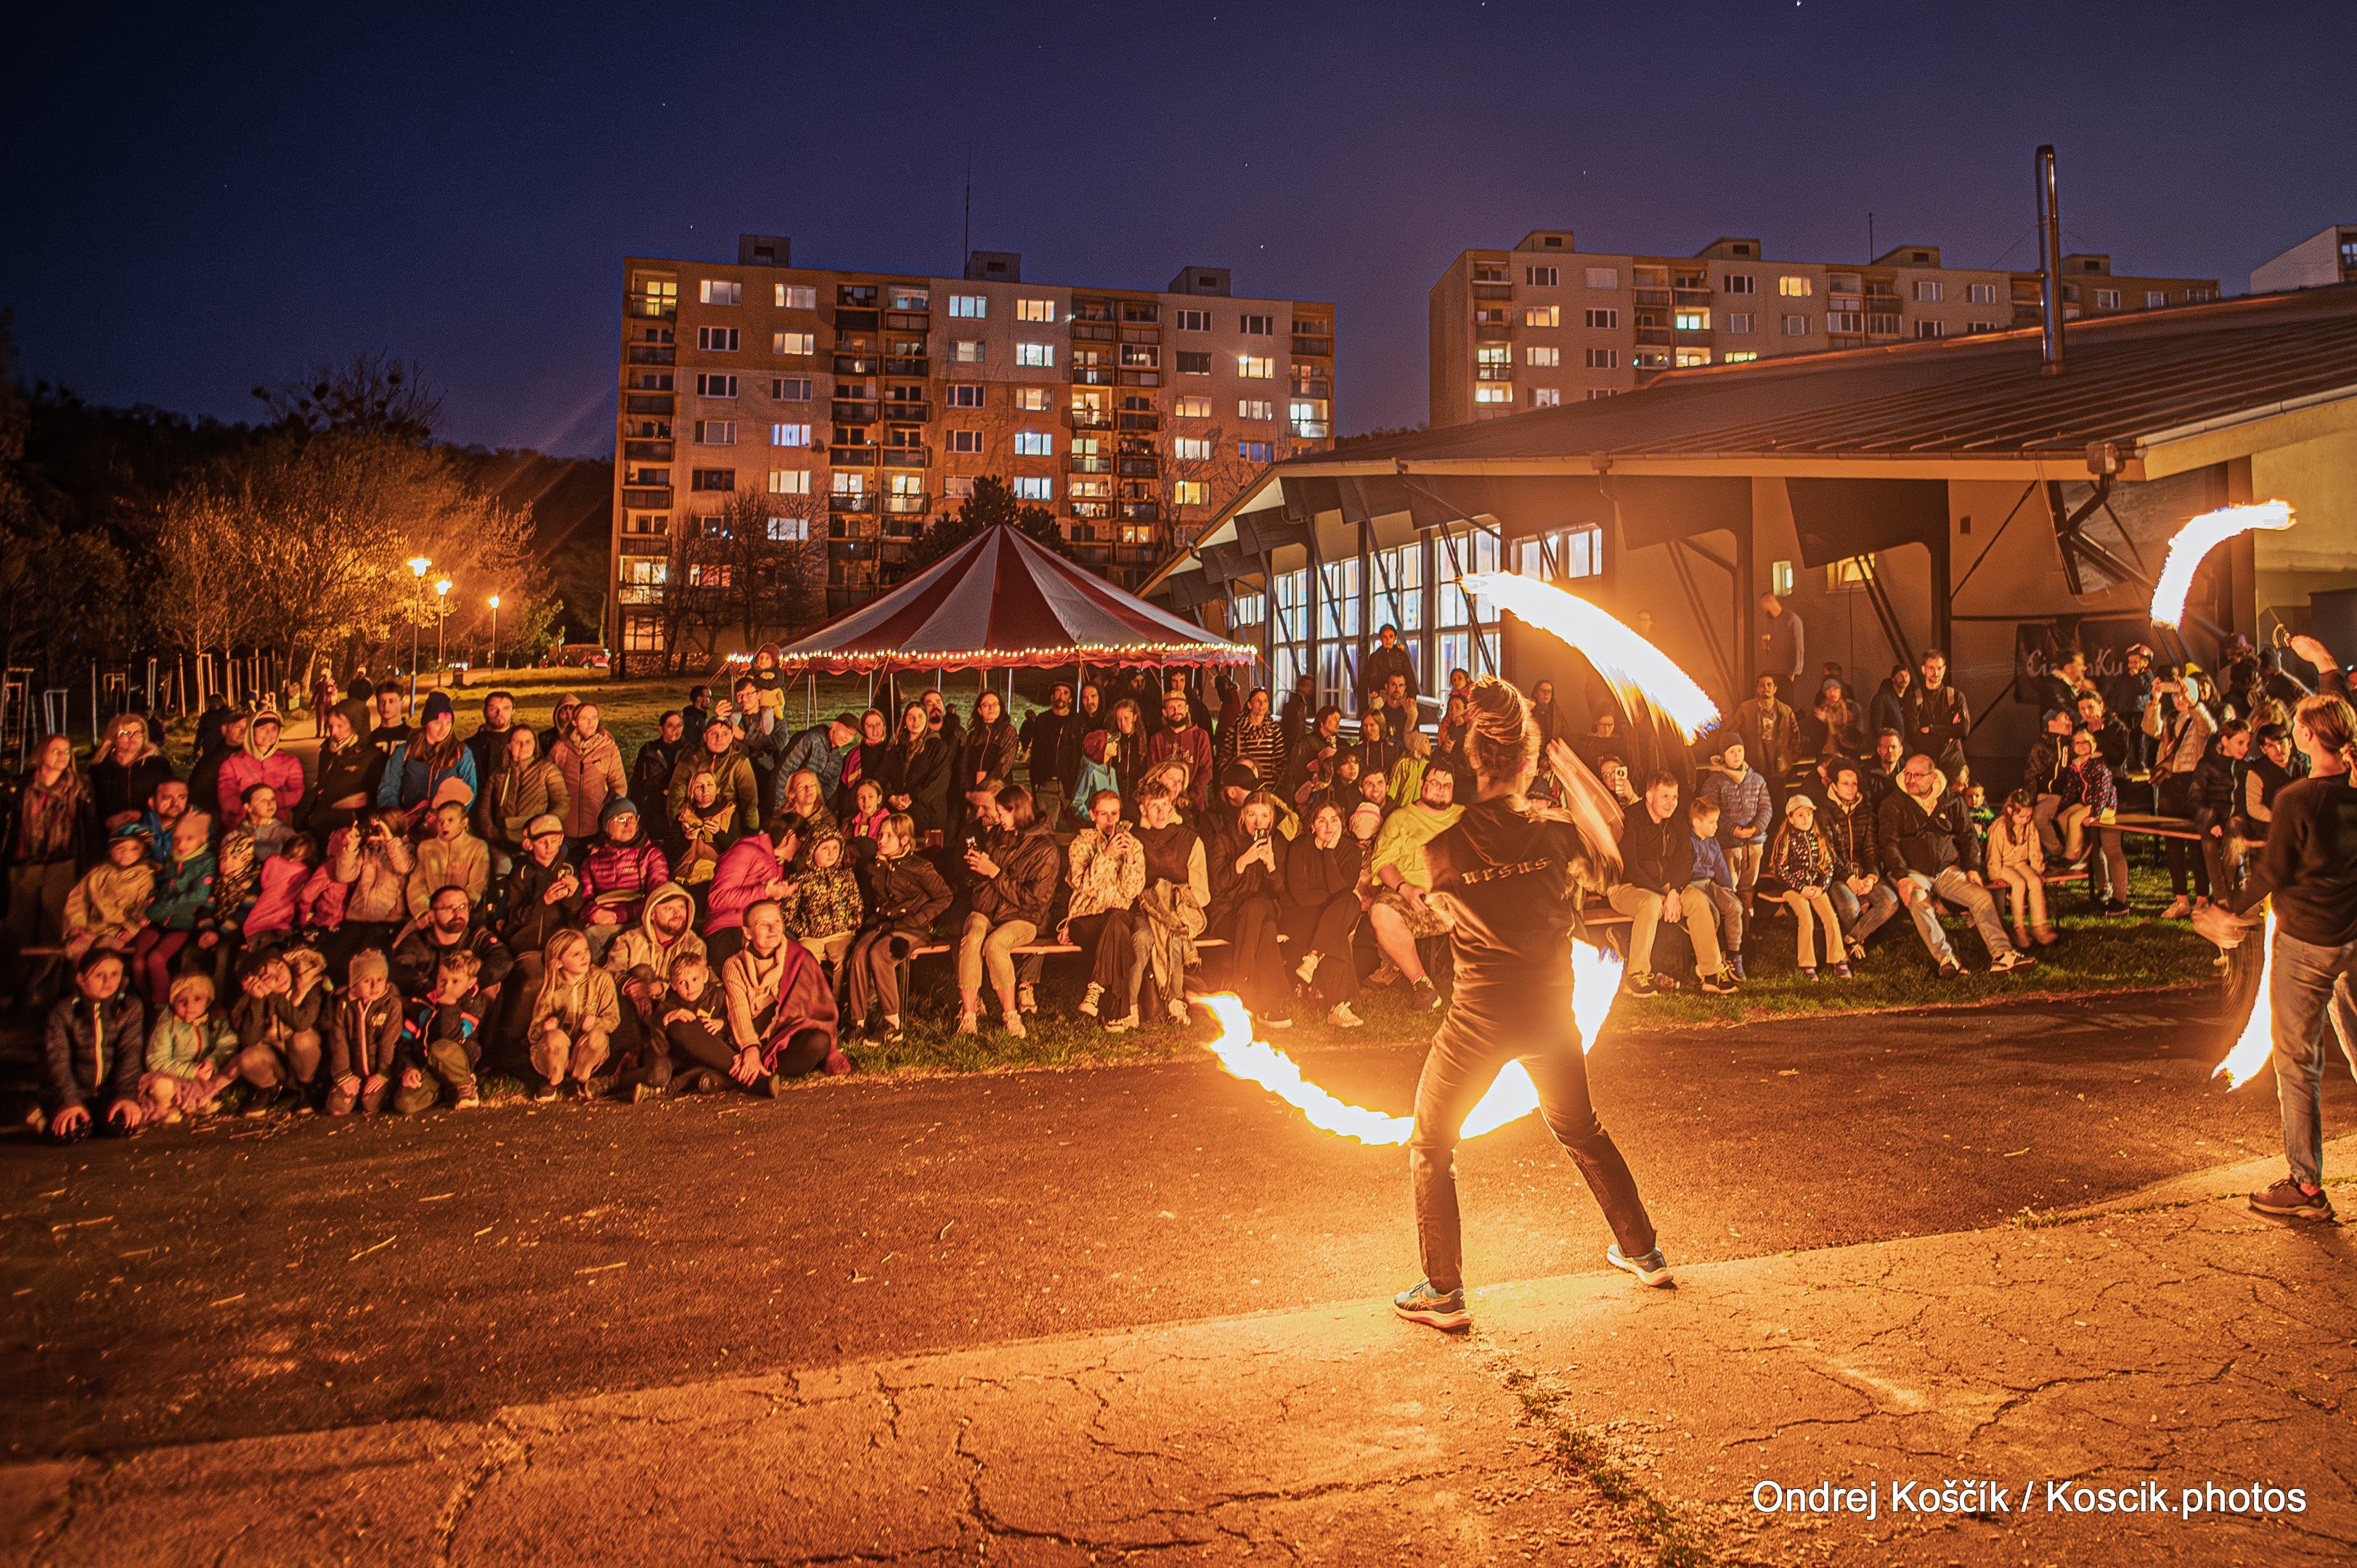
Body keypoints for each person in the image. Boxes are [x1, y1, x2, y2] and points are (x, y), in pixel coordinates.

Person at [1394, 677, 1669, 1334]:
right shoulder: (1555, 832)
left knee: (1431, 1141)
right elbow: (1611, 851)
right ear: (1527, 762)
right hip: (1550, 1015)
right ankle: (1643, 1251)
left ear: (1473, 760)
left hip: (1478, 1020)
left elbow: (1438, 913)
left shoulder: (1443, 847)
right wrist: (1572, 773)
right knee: (1580, 1128)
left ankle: (1444, 1291)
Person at [2195, 692, 2357, 1221]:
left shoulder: (2298, 798)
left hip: (2307, 944)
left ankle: (2306, 1187)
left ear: (2307, 737)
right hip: (2352, 940)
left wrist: (2225, 910)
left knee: (2297, 1061)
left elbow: (2271, 873)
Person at [1878, 753, 2032, 977]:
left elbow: (1968, 836)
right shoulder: (1894, 804)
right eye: (1907, 774)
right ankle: (1946, 959)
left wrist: (1972, 868)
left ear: (1932, 777)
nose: (1910, 780)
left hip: (1946, 870)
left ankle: (2002, 955)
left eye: (1917, 776)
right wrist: (1902, 876)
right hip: (1912, 872)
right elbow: (1888, 844)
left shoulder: (1951, 801)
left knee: (1981, 897)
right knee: (1918, 900)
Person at [1611, 773, 1733, 997]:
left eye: (1674, 797)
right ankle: (1636, 975)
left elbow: (1685, 860)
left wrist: (1674, 892)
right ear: (1649, 796)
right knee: (1651, 904)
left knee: (1697, 901)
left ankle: (1711, 973)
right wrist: (1663, 896)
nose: (1671, 803)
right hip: (1627, 887)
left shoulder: (1676, 819)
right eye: (1665, 796)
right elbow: (1630, 865)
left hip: (1666, 889)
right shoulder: (1633, 818)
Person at [954, 784, 1058, 1038]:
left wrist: (994, 873)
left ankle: (1010, 1015)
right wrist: (978, 866)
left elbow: (1032, 900)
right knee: (973, 937)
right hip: (988, 909)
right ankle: (968, 1015)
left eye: (1002, 813)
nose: (997, 819)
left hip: (1024, 917)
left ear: (1017, 811)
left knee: (995, 944)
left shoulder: (1045, 850)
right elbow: (986, 880)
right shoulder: (998, 836)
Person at [841, 813, 952, 1044]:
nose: (881, 840)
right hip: (883, 925)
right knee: (858, 953)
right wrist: (880, 866)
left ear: (904, 840)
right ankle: (857, 1022)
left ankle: (892, 1025)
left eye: (888, 836)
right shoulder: (876, 865)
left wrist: (920, 918)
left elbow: (945, 896)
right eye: (880, 834)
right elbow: (876, 898)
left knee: (880, 953)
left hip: (911, 929)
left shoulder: (920, 867)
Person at [8, 734, 96, 1005]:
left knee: (54, 925)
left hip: (62, 863)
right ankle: (13, 985)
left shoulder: (79, 788)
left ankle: (41, 989)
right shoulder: (20, 786)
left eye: (67, 751)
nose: (62, 756)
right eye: (55, 750)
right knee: (17, 925)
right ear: (40, 754)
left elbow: (88, 826)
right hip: (25, 864)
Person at [1365, 762, 1461, 1010]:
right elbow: (1383, 863)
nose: (1441, 790)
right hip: (1416, 899)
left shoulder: (1465, 817)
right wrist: (1405, 889)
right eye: (1435, 783)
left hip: (1460, 902)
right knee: (1381, 912)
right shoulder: (1400, 819)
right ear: (1421, 785)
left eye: (1447, 785)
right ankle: (1423, 985)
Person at [721, 899, 843, 1086]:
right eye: (763, 924)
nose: (773, 929)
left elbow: (819, 1010)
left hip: (785, 1040)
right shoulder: (734, 965)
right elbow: (739, 1011)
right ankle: (751, 1070)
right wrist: (750, 1048)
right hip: (749, 1037)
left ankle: (753, 1070)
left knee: (819, 1042)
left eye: (777, 922)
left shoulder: (800, 958)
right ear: (747, 932)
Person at [1121, 781, 1208, 1029]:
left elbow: (1202, 893)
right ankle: (1129, 1007)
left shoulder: (1189, 840)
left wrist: (1176, 902)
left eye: (1165, 805)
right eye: (1154, 806)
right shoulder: (1133, 839)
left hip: (1177, 912)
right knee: (1142, 939)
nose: (1161, 813)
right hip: (1144, 910)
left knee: (1174, 938)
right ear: (1142, 809)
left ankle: (1174, 1002)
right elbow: (1129, 887)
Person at [42, 947, 145, 1141]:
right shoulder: (64, 1011)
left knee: (122, 1124)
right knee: (69, 1132)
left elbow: (130, 1052)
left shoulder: (129, 1008)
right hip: (73, 1092)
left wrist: (125, 1095)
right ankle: (41, 1115)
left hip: (108, 1094)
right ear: (81, 979)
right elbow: (57, 1059)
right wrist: (69, 1100)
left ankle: (96, 1120)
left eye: (115, 974)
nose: (108, 982)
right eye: (99, 975)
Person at [1278, 799, 1364, 1028]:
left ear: (1342, 824)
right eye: (1322, 821)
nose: (1328, 827)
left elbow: (1342, 891)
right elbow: (1301, 895)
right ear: (1312, 825)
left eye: (1334, 821)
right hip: (1301, 915)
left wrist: (1329, 853)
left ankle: (1314, 956)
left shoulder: (1352, 852)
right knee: (1340, 923)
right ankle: (1337, 1008)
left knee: (1350, 901)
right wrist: (1334, 899)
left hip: (1333, 916)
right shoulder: (1299, 847)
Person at [602, 880, 706, 1067]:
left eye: (681, 907)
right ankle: (628, 1051)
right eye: (669, 909)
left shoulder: (694, 945)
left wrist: (659, 988)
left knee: (658, 1075)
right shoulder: (629, 939)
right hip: (633, 1014)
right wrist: (631, 984)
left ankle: (646, 1056)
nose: (677, 914)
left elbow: (696, 986)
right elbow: (609, 972)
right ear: (652, 914)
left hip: (669, 1016)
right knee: (641, 972)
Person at [1059, 789, 1144, 1019]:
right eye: (1103, 814)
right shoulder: (1081, 844)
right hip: (1087, 917)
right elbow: (1085, 885)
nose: (1110, 820)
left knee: (1116, 921)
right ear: (1092, 815)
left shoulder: (1134, 845)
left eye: (1114, 813)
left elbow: (1132, 891)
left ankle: (1095, 989)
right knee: (1117, 932)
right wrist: (1106, 855)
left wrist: (1129, 858)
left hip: (1118, 916)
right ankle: (1118, 1013)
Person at [2145, 671, 2219, 918]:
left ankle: (2202, 898)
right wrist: (2155, 702)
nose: (2178, 699)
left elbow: (2209, 729)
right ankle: (2180, 899)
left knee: (2196, 843)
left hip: (2192, 781)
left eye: (2183, 694)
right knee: (2172, 843)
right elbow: (2151, 729)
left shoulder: (2199, 717)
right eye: (2175, 695)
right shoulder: (2171, 719)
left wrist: (2193, 704)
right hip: (2170, 782)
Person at [227, 947, 326, 1115]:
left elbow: (301, 1023)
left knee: (302, 1038)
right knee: (247, 1057)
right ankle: (271, 1090)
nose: (279, 977)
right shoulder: (254, 998)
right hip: (279, 1063)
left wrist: (274, 997)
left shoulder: (308, 986)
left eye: (280, 967)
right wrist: (257, 1000)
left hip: (306, 1063)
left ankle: (307, 1089)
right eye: (267, 977)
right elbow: (250, 1040)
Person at [1816, 761, 1900, 958]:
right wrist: (1849, 879)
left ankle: (1851, 939)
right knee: (1850, 906)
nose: (1851, 788)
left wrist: (1871, 876)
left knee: (1890, 901)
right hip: (1836, 873)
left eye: (1854, 784)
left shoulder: (1865, 810)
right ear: (1834, 785)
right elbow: (1829, 854)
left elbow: (1871, 848)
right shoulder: (1825, 812)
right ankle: (1858, 944)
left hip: (1862, 870)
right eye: (1845, 784)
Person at [131, 812, 216, 1009]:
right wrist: (152, 896)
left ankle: (161, 1006)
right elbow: (161, 883)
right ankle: (143, 1001)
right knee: (138, 962)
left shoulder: (205, 863)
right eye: (177, 839)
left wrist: (154, 911)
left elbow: (196, 897)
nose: (181, 844)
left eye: (189, 838)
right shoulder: (174, 860)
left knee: (156, 960)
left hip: (181, 923)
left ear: (203, 837)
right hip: (157, 921)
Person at [528, 927, 621, 1101]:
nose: (585, 957)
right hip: (557, 1053)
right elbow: (533, 1033)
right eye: (576, 954)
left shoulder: (601, 979)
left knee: (598, 1037)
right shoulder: (552, 989)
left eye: (586, 950)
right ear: (559, 962)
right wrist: (544, 1027)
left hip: (584, 1050)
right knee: (554, 1037)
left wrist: (596, 1024)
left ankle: (580, 1079)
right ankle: (554, 1081)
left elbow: (613, 1018)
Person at [704, 810, 805, 965]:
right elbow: (718, 898)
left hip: (761, 928)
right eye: (800, 842)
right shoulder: (746, 850)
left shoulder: (778, 863)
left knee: (801, 958)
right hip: (728, 928)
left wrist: (778, 896)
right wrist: (764, 891)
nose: (801, 849)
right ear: (790, 836)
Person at [394, 949, 487, 1113]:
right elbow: (406, 1041)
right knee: (404, 1103)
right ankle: (445, 1093)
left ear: (470, 983)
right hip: (429, 1066)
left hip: (455, 1063)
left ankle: (465, 1085)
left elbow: (450, 1038)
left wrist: (448, 1007)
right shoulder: (422, 1002)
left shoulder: (473, 1004)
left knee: (440, 1048)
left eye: (455, 981)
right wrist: (409, 1067)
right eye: (442, 980)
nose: (447, 987)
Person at [391, 884, 514, 1006]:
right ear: (432, 916)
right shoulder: (418, 942)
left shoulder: (477, 936)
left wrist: (475, 984)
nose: (458, 913)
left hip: (468, 1006)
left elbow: (503, 959)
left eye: (463, 906)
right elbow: (398, 969)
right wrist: (430, 990)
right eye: (449, 908)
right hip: (428, 1007)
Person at [139, 970, 237, 1122]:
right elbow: (156, 1060)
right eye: (182, 1001)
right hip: (175, 1076)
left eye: (197, 999)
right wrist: (191, 1071)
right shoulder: (167, 1023)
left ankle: (199, 1102)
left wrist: (212, 1062)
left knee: (236, 1066)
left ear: (208, 1000)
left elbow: (228, 1043)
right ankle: (165, 1108)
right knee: (161, 1086)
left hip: (206, 1077)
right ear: (173, 1001)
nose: (190, 1006)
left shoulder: (216, 1018)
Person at [1769, 794, 1849, 979]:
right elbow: (1781, 870)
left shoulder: (1818, 838)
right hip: (1793, 888)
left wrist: (1821, 887)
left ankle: (1838, 959)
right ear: (1790, 818)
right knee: (1806, 918)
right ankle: (1807, 963)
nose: (1806, 819)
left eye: (1809, 814)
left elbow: (1828, 867)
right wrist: (1801, 888)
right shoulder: (1786, 840)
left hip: (1815, 887)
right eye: (1800, 815)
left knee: (1830, 917)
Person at [579, 799, 670, 957]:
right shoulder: (592, 861)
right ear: (607, 826)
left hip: (638, 921)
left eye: (632, 819)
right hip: (604, 921)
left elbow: (658, 897)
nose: (628, 824)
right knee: (588, 937)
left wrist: (619, 914)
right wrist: (594, 913)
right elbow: (584, 898)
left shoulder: (651, 855)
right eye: (621, 820)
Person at [1698, 738, 1773, 926]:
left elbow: (1766, 808)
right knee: (1729, 886)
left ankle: (1746, 928)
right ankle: (1731, 929)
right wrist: (1733, 829)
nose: (1737, 755)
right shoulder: (1715, 781)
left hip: (1753, 843)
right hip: (1729, 844)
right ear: (1723, 755)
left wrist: (1755, 828)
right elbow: (1711, 811)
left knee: (1748, 887)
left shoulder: (1757, 780)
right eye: (1731, 751)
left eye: (1740, 750)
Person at [475, 726, 570, 870]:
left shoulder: (548, 771)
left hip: (538, 843)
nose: (523, 746)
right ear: (509, 746)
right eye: (518, 742)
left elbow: (562, 803)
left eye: (528, 742)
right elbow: (484, 809)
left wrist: (544, 830)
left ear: (535, 744)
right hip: (503, 842)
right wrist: (493, 833)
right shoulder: (499, 774)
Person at [325, 949, 405, 1116]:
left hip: (379, 1070)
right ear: (354, 985)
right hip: (353, 1070)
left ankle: (385, 1088)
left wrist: (383, 1073)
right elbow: (339, 1040)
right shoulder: (344, 1005)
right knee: (337, 1107)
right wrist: (344, 1075)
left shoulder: (392, 1005)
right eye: (367, 981)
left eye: (380, 979)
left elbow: (389, 1041)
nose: (375, 986)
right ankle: (351, 1086)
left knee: (371, 1105)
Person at [377, 692, 478, 819]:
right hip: (410, 819)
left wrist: (452, 817)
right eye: (437, 723)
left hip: (444, 822)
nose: (443, 729)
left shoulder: (461, 752)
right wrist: (395, 818)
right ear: (426, 723)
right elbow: (388, 787)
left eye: (448, 723)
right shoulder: (405, 751)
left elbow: (469, 791)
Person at [64, 825, 156, 962]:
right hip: (92, 928)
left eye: (134, 849)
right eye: (120, 848)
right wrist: (77, 924)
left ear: (143, 851)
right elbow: (78, 898)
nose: (126, 854)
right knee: (76, 951)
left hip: (120, 930)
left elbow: (143, 908)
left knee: (104, 955)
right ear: (111, 849)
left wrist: (131, 930)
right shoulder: (98, 873)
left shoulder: (144, 877)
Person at [549, 700, 627, 848]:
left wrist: (606, 811)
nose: (591, 723)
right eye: (585, 719)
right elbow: (548, 782)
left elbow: (619, 785)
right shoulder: (561, 748)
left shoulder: (608, 749)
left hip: (596, 827)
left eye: (594, 718)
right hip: (565, 827)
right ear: (574, 722)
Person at [1987, 789, 2058, 950]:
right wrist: (1995, 875)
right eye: (2021, 817)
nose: (2024, 820)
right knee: (2019, 883)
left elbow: (2034, 849)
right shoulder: (1999, 827)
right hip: (2004, 865)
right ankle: (2019, 928)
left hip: (2020, 863)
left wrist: (2037, 870)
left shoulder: (2029, 826)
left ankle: (2039, 925)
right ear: (2010, 811)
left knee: (2034, 881)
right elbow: (1994, 854)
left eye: (2028, 817)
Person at [667, 716, 762, 835]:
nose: (719, 738)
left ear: (731, 737)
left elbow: (749, 803)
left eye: (725, 734)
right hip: (695, 821)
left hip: (728, 823)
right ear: (705, 737)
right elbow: (675, 800)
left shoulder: (739, 763)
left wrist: (751, 833)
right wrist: (679, 828)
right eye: (713, 734)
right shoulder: (690, 762)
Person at [780, 829, 861, 968]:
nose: (832, 853)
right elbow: (788, 912)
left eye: (835, 848)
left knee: (844, 960)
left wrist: (854, 922)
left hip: (841, 934)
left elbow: (856, 902)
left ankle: (839, 984)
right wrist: (802, 929)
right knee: (805, 961)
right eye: (825, 848)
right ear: (812, 850)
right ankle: (813, 983)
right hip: (811, 937)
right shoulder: (801, 878)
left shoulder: (845, 876)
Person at [1685, 798, 1743, 980]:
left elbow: (1721, 866)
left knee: (1734, 906)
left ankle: (1733, 954)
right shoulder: (1689, 842)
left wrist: (1727, 889)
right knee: (1712, 915)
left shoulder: (1713, 842)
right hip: (1692, 886)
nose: (1716, 826)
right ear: (1697, 822)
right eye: (1711, 822)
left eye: (1716, 822)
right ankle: (1707, 960)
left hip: (1708, 883)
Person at [216, 709, 304, 829]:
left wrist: (269, 801)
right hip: (244, 826)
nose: (269, 733)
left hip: (279, 826)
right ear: (251, 731)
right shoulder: (231, 764)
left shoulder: (291, 762)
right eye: (263, 729)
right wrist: (252, 808)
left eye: (274, 729)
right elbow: (227, 797)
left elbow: (296, 793)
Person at [306, 708, 383, 839]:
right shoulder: (326, 751)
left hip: (353, 823)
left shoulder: (369, 754)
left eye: (340, 726)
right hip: (323, 821)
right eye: (330, 726)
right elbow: (321, 786)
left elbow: (372, 795)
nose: (333, 732)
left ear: (354, 725)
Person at [408, 796, 490, 918]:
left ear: (463, 822)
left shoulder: (477, 847)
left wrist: (457, 910)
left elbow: (477, 886)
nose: (444, 825)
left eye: (450, 820)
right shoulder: (426, 848)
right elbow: (417, 884)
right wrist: (423, 912)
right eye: (440, 821)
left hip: (462, 915)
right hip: (432, 914)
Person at [90, 714, 175, 830]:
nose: (133, 737)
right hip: (112, 834)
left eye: (137, 732)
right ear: (113, 736)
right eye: (126, 733)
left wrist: (145, 816)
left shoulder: (159, 765)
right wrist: (108, 821)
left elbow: (171, 800)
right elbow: (93, 807)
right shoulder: (99, 769)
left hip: (150, 831)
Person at [1019, 683, 1086, 825]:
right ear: (1052, 696)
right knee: (1046, 827)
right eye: (1058, 692)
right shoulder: (1043, 720)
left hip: (1070, 784)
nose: (1061, 696)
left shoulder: (1077, 721)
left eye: (1065, 693)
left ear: (1071, 699)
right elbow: (1036, 754)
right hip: (1046, 784)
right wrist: (1036, 781)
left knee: (1075, 827)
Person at [773, 711, 860, 818]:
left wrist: (816, 813)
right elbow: (783, 772)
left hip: (808, 811)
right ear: (834, 725)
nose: (847, 738)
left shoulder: (837, 761)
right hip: (786, 805)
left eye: (852, 735)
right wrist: (780, 808)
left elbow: (828, 790)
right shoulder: (811, 739)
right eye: (845, 731)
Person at [1902, 650, 1971, 764]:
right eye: (1931, 668)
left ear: (1944, 669)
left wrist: (1931, 729)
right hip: (1925, 762)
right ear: (1923, 669)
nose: (1936, 673)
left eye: (1939, 668)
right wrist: (1949, 732)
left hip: (1952, 761)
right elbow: (1913, 735)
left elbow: (1963, 729)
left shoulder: (1956, 697)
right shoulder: (1913, 699)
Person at [1733, 674, 1800, 791]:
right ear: (1757, 689)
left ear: (1775, 688)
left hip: (1779, 766)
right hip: (1753, 765)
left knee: (1778, 800)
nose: (1766, 688)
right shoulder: (1746, 709)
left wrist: (1790, 760)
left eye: (1769, 685)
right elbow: (1735, 733)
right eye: (1761, 685)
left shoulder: (1786, 711)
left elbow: (1795, 736)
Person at [1221, 686, 1285, 787]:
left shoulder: (1274, 730)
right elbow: (1224, 757)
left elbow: (1281, 760)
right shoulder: (1237, 729)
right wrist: (1232, 778)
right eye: (1258, 701)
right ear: (1249, 705)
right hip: (1242, 786)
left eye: (1265, 701)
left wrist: (1275, 780)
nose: (1262, 704)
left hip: (1266, 785)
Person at [630, 710, 688, 812]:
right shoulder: (649, 750)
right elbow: (637, 781)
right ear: (661, 729)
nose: (676, 729)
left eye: (679, 725)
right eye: (670, 726)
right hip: (653, 806)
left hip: (680, 807)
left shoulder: (689, 750)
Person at [465, 690, 521, 786]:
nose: (500, 713)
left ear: (513, 711)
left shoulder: (524, 742)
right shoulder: (470, 746)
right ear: (485, 712)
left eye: (506, 709)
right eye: (493, 708)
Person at [1759, 592, 1806, 689]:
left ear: (1770, 604)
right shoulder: (1769, 621)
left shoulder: (1792, 620)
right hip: (1772, 672)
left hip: (1787, 674)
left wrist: (1793, 672)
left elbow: (1798, 647)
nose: (1764, 611)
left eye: (1764, 608)